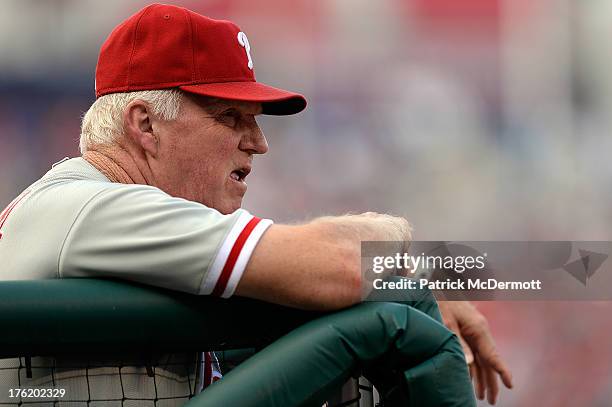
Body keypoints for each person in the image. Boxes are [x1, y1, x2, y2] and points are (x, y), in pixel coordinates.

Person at [0, 3, 511, 405]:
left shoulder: (106, 209)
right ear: (146, 125)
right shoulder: (91, 208)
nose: (258, 142)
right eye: (230, 118)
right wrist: (405, 247)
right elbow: (337, 265)